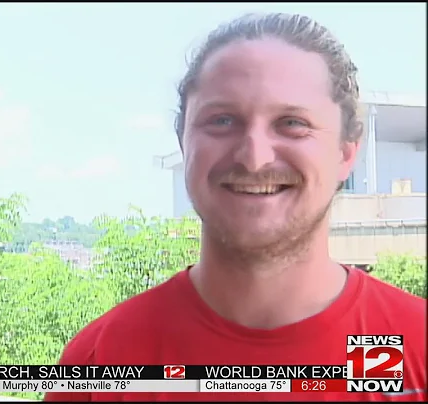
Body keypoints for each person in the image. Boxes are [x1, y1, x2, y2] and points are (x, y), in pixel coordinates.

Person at [44, 12, 426, 402]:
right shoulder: (101, 365)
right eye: (222, 120)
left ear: (346, 154)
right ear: (183, 143)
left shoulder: (414, 354)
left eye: (292, 123)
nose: (254, 158)